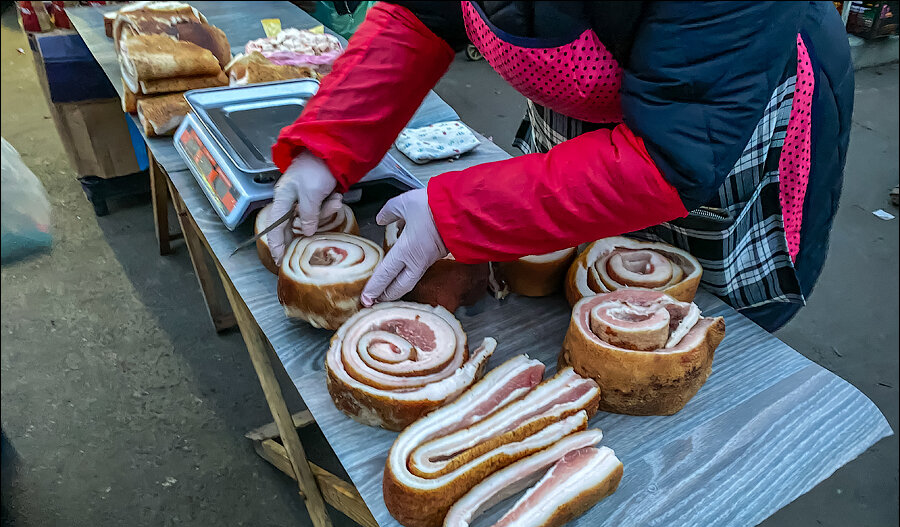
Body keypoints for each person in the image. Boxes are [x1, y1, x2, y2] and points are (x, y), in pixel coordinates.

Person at [268, 1, 853, 332]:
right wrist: (327, 146)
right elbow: (417, 17)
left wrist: (459, 212)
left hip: (722, 113)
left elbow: (675, 157)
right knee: (555, 281)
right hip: (584, 94)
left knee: (683, 320)